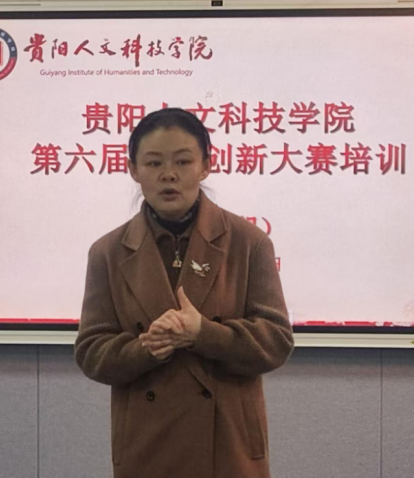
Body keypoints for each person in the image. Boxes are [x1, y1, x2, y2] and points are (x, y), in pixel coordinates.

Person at [74, 107, 294, 478]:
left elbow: (276, 342)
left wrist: (203, 334)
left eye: (183, 161)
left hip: (227, 445)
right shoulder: (107, 252)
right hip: (146, 444)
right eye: (153, 163)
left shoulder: (248, 242)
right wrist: (146, 348)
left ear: (206, 166)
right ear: (133, 170)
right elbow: (91, 352)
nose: (169, 174)